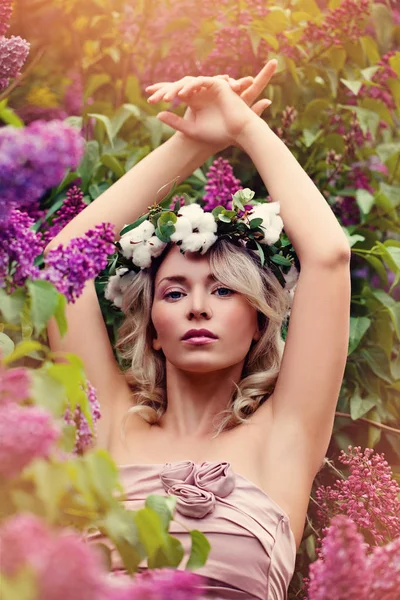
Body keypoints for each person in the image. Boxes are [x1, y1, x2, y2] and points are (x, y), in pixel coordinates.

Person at [46, 60, 351, 599]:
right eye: (175, 292)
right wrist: (191, 143)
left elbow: (328, 255)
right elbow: (59, 264)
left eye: (224, 290)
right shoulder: (109, 425)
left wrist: (244, 128)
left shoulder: (285, 438)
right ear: (154, 331)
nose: (198, 308)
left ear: (258, 322)